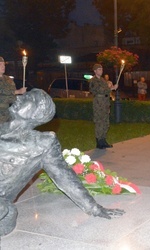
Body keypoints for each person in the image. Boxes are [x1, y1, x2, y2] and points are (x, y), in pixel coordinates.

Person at [0, 88, 124, 236]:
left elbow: (64, 177)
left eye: (29, 99)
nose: (19, 98)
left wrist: (93, 208)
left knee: (4, 209)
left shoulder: (42, 144)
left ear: (37, 114)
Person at [89, 64, 118, 149]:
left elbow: (106, 90)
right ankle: (99, 141)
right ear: (95, 71)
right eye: (99, 69)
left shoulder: (102, 80)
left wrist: (113, 87)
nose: (101, 70)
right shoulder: (93, 81)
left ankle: (103, 139)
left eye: (101, 69)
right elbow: (100, 90)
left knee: (105, 122)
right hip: (98, 103)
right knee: (99, 122)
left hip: (105, 103)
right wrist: (111, 88)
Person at [0, 56, 27, 123]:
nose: (3, 66)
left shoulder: (8, 79)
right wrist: (17, 91)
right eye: (0, 64)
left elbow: (13, 96)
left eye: (4, 64)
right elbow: (2, 91)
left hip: (8, 114)